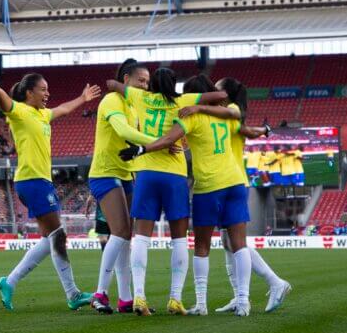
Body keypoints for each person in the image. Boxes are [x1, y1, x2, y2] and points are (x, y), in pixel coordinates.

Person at [0, 47, 100, 311]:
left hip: (41, 181)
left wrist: (83, 98)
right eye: (43, 89)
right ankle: (72, 294)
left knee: (51, 237)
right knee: (59, 236)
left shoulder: (42, 114)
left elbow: (63, 108)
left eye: (48, 89)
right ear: (30, 93)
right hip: (32, 180)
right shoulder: (19, 112)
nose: (47, 93)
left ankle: (10, 281)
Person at [107, 68, 227, 316]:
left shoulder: (140, 98)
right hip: (174, 175)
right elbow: (221, 95)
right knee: (179, 239)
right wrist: (199, 106)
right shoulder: (183, 100)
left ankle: (139, 297)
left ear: (151, 85)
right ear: (175, 85)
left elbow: (111, 84)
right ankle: (175, 299)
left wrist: (125, 87)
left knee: (141, 237)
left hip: (147, 172)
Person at [181, 76, 291, 315]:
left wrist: (198, 106)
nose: (214, 92)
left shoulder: (227, 111)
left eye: (218, 90)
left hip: (226, 180)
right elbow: (249, 131)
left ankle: (273, 282)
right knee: (229, 243)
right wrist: (265, 130)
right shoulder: (225, 114)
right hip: (233, 180)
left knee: (233, 242)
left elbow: (242, 127)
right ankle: (240, 296)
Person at [88, 58, 165, 314]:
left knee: (124, 235)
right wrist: (159, 141)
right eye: (140, 80)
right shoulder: (112, 100)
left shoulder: (135, 105)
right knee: (120, 232)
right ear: (126, 80)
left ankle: (124, 298)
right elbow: (122, 131)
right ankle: (100, 293)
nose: (145, 85)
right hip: (104, 173)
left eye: (147, 81)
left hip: (125, 173)